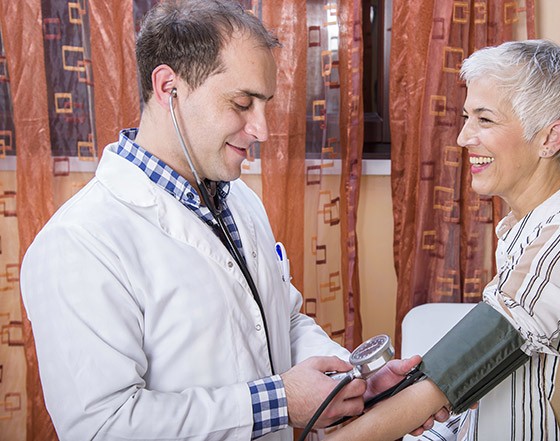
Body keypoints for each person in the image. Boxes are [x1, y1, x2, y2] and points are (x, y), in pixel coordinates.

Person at [19, 1, 422, 440]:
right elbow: (104, 427)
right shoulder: (78, 244)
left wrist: (350, 382)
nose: (262, 129)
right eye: (242, 103)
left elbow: (279, 321)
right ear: (168, 86)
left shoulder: (239, 201)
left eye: (264, 104)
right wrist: (280, 402)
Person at [323, 39, 560, 441]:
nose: (462, 137)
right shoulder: (525, 225)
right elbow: (484, 375)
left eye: (484, 120)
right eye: (465, 117)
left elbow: (445, 380)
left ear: (550, 139)